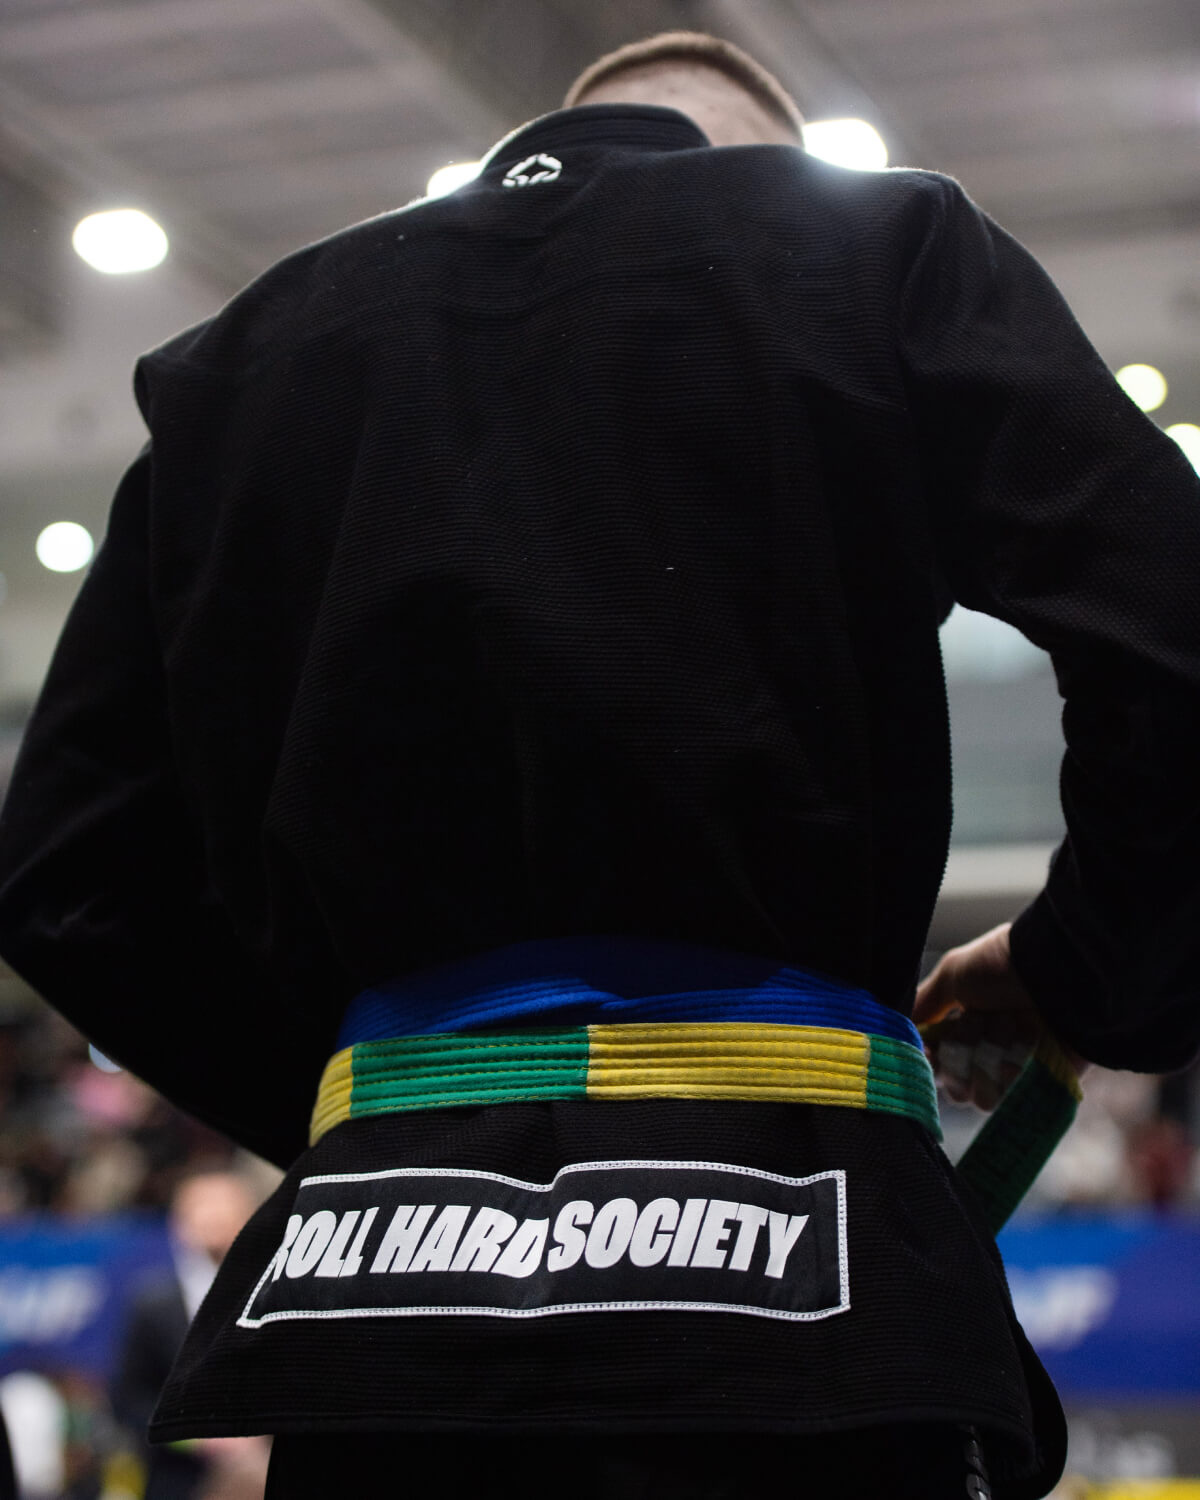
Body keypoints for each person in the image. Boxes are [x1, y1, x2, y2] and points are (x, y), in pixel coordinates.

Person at [0, 28, 1197, 1499]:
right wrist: (1087, 971)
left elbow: (68, 873)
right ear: (765, 159)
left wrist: (390, 1106)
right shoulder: (873, 246)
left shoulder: (235, 364)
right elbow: (1174, 634)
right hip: (805, 1280)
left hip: (379, 1307)